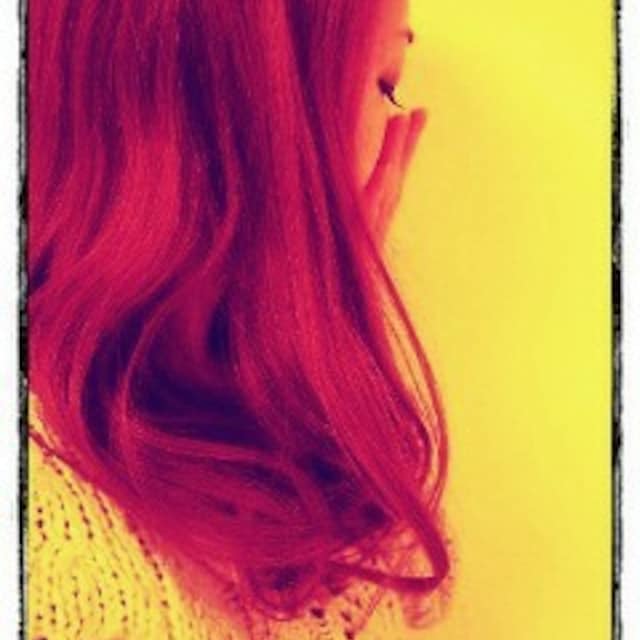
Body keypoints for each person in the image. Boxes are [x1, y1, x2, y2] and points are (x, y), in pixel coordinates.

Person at [27, 0, 452, 637]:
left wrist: (333, 327)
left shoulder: (238, 402)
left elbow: (398, 576)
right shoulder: (56, 555)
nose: (392, 134)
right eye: (385, 84)